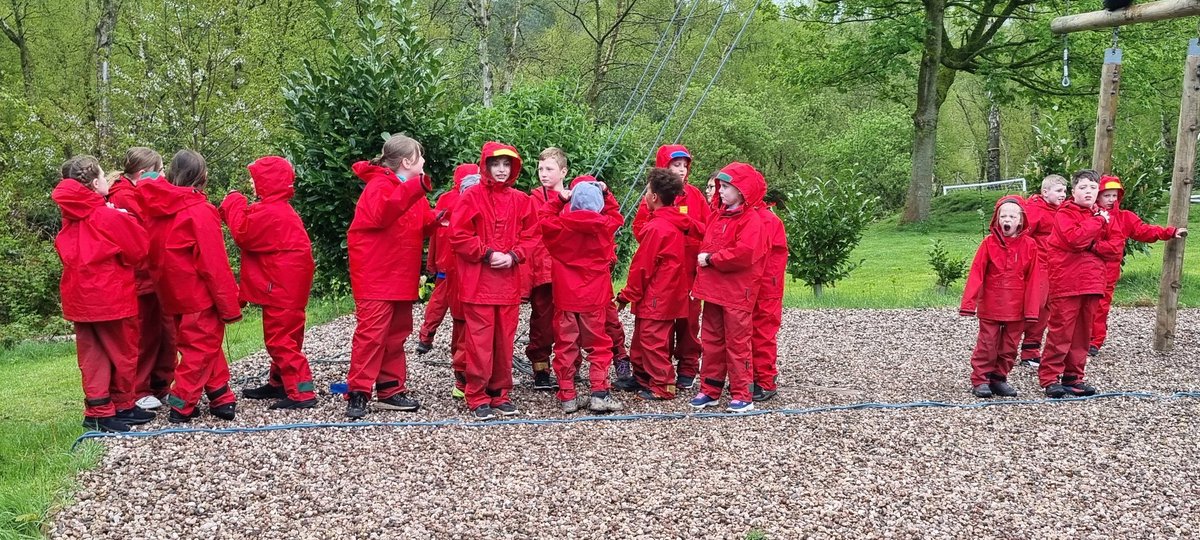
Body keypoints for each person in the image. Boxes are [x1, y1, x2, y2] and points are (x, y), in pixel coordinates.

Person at [53, 155, 153, 432]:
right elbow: (139, 249)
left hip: (79, 297)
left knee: (92, 354)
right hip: (111, 295)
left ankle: (98, 409)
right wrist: (128, 220)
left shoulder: (70, 216)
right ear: (95, 182)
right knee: (123, 351)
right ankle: (122, 404)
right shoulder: (106, 215)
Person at [141, 150, 242, 422]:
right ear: (203, 177)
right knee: (202, 347)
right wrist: (229, 304)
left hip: (171, 293)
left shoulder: (155, 209)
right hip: (198, 295)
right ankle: (181, 403)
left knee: (200, 345)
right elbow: (214, 263)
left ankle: (221, 396)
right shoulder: (200, 211)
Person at [344, 134, 434, 418]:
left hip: (399, 275)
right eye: (420, 158)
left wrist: (449, 213)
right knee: (371, 335)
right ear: (408, 161)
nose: (424, 164)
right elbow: (385, 213)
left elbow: (423, 223)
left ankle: (390, 389)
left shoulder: (407, 190)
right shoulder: (379, 186)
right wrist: (417, 189)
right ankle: (358, 391)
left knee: (396, 335)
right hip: (376, 277)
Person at [450, 142, 539, 420]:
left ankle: (500, 393)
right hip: (478, 283)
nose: (501, 170)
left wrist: (514, 255)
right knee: (479, 342)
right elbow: (458, 235)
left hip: (508, 284)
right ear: (485, 165)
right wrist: (487, 254)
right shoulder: (471, 197)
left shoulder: (522, 200)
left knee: (504, 341)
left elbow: (533, 235)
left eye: (506, 165)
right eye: (496, 164)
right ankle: (476, 394)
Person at [220, 156, 318, 410]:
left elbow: (243, 233)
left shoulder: (271, 212)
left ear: (268, 182)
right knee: (288, 337)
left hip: (281, 289)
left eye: (254, 179)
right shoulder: (277, 209)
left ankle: (302, 391)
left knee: (279, 340)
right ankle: (279, 382)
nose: (251, 184)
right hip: (289, 288)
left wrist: (233, 201)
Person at [627, 144, 710, 390]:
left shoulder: (695, 196)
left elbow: (707, 230)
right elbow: (640, 230)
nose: (682, 170)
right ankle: (645, 373)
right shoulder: (651, 198)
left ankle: (687, 366)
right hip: (661, 271)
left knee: (688, 322)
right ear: (665, 166)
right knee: (652, 323)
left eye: (685, 165)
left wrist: (684, 226)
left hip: (690, 271)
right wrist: (667, 235)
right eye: (676, 165)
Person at [540, 179, 625, 413]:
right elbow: (616, 214)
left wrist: (560, 199)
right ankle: (599, 393)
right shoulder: (605, 225)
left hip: (565, 296)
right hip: (594, 297)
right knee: (598, 344)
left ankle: (567, 395)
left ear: (573, 203)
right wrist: (606, 193)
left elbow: (543, 217)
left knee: (566, 344)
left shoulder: (559, 226)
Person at [689, 162, 767, 413]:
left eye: (726, 187)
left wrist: (712, 259)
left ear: (742, 190)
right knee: (711, 341)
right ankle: (710, 389)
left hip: (736, 293)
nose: (720, 191)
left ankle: (742, 393)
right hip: (713, 291)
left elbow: (743, 253)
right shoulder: (718, 216)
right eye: (721, 186)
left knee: (737, 343)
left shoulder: (751, 220)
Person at [108, 147, 177, 409]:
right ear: (143, 173)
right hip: (141, 277)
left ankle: (161, 384)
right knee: (145, 335)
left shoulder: (134, 193)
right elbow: (148, 229)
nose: (163, 177)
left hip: (156, 274)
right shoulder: (125, 196)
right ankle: (139, 389)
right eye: (160, 171)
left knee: (165, 333)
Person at [1088, 175, 1187, 356]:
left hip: (1108, 271)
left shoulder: (1124, 218)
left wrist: (1170, 232)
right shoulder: (1088, 214)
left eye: (1114, 196)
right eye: (1107, 195)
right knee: (1080, 306)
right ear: (1098, 195)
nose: (1111, 200)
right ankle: (1079, 340)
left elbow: (1144, 231)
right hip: (1085, 270)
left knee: (1100, 306)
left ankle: (1094, 342)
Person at [1039, 169, 1112, 398]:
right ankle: (1050, 378)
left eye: (1092, 187)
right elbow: (1075, 238)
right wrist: (1097, 224)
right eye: (1083, 187)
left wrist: (1093, 244)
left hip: (1092, 282)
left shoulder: (1103, 215)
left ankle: (1074, 377)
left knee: (1083, 334)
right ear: (1074, 192)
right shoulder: (1065, 214)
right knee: (1060, 332)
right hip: (1067, 282)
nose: (1088, 192)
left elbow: (1115, 246)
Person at [617, 168, 689, 400]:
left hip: (658, 295)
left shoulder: (657, 228)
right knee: (642, 336)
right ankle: (642, 377)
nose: (645, 195)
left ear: (655, 197)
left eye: (647, 191)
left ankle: (663, 384)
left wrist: (626, 295)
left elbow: (642, 268)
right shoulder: (669, 222)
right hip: (663, 293)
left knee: (652, 339)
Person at [959, 196, 1040, 398]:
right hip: (991, 305)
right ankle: (980, 379)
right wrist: (968, 304)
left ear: (1020, 221)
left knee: (1010, 346)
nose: (1007, 219)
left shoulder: (1030, 245)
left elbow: (1034, 279)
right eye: (1003, 215)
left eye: (1012, 216)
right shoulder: (988, 244)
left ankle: (999, 378)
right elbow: (976, 274)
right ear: (997, 219)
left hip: (1017, 307)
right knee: (987, 344)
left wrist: (1031, 310)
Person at [416, 163, 479, 355]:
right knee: (463, 306)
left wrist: (432, 262)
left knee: (438, 301)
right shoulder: (476, 198)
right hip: (464, 264)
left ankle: (425, 338)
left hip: (445, 263)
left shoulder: (445, 199)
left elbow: (435, 234)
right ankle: (462, 346)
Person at [523, 148, 570, 390]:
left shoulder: (575, 197)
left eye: (549, 169)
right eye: (540, 169)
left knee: (568, 322)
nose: (543, 173)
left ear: (563, 171)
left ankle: (568, 370)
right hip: (543, 270)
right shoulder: (532, 200)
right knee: (541, 322)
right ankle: (540, 369)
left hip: (569, 269)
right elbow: (529, 237)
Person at [1018, 174, 1067, 368]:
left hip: (1057, 267)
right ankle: (1009, 347)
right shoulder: (1035, 211)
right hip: (1039, 265)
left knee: (1047, 310)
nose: (1063, 195)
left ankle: (1031, 350)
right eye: (1058, 191)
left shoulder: (1064, 211)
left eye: (1064, 191)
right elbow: (1022, 237)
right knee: (1034, 307)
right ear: (1045, 192)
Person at [751, 191, 788, 402]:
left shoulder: (766, 220)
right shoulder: (754, 217)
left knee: (763, 332)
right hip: (753, 285)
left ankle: (765, 381)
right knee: (748, 332)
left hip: (766, 286)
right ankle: (753, 378)